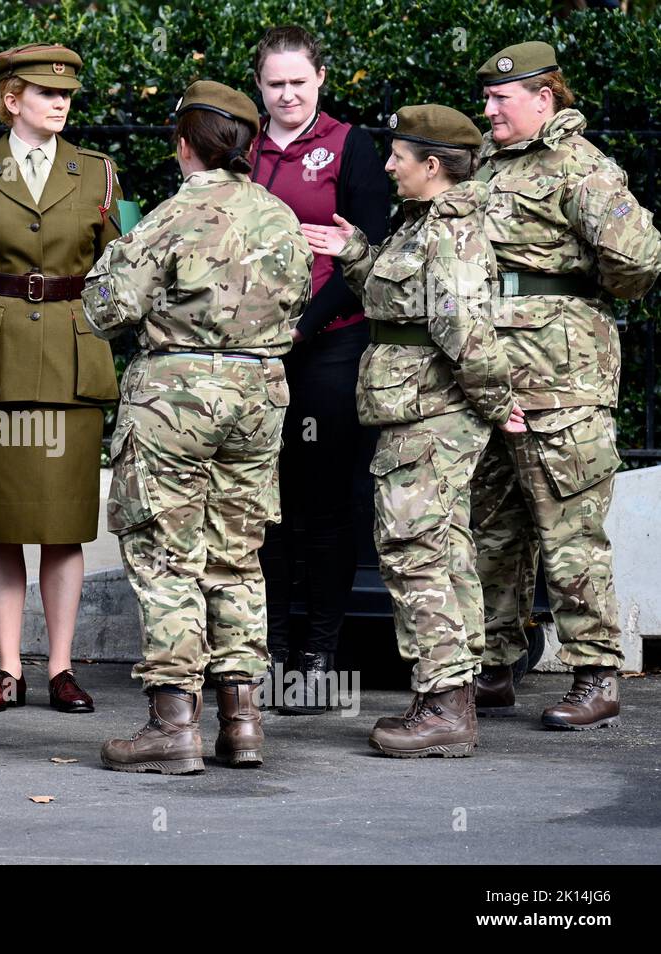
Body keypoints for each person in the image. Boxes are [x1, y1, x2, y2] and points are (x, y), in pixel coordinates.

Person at [85, 81, 313, 773]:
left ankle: (172, 723)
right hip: (259, 391)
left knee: (166, 555)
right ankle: (242, 721)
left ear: (185, 144)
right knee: (238, 555)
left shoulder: (169, 216)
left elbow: (106, 309)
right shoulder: (280, 216)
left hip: (176, 396)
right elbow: (299, 299)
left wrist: (112, 249)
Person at [304, 105, 525, 757]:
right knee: (442, 546)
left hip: (434, 414)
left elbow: (462, 329)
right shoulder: (419, 223)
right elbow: (392, 300)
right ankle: (449, 694)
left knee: (413, 548)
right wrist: (354, 255)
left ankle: (444, 706)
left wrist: (496, 401)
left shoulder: (449, 230)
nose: (389, 164)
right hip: (417, 410)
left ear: (433, 166)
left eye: (400, 155)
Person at [468, 42, 661, 729]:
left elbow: (638, 258)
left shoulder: (579, 166)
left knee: (569, 530)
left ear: (543, 98)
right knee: (493, 529)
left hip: (561, 384)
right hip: (492, 378)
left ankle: (596, 674)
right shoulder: (490, 162)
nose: (487, 108)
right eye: (487, 98)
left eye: (501, 98)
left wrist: (574, 299)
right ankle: (492, 669)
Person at [0, 43, 123, 715]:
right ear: (12, 99)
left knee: (64, 524)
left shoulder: (99, 174)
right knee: (0, 523)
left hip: (73, 365)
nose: (61, 101)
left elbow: (113, 273)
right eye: (47, 92)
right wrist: (2, 318)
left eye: (68, 93)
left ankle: (63, 669)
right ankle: (9, 668)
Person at [250, 25, 391, 712]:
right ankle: (271, 646)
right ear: (259, 87)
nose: (287, 95)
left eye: (298, 83)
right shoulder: (242, 150)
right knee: (263, 502)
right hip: (252, 353)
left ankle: (319, 652)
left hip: (328, 343)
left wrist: (302, 326)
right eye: (275, 84)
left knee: (326, 502)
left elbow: (367, 253)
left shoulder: (350, 145)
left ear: (320, 81)